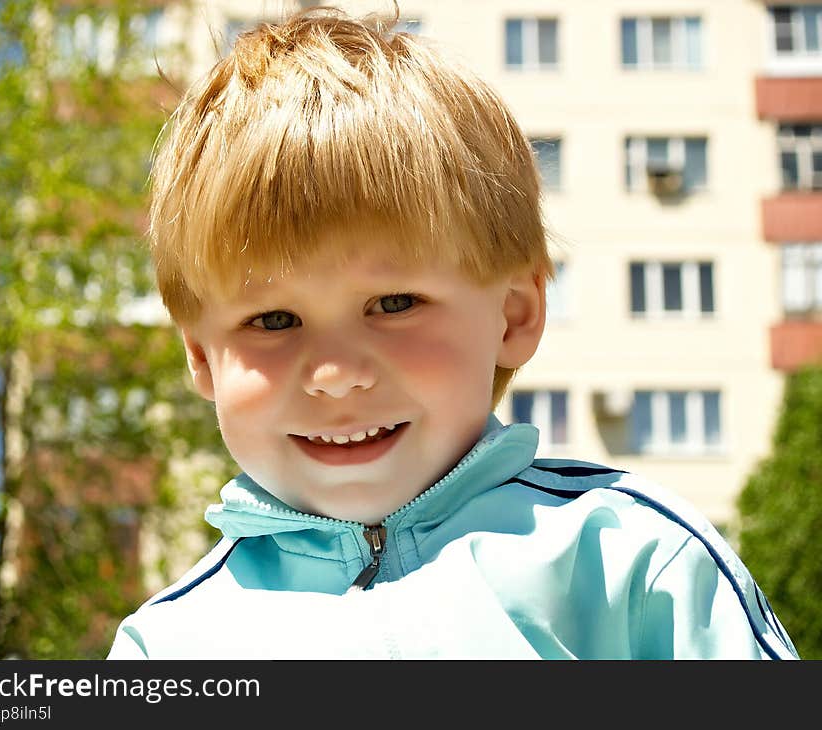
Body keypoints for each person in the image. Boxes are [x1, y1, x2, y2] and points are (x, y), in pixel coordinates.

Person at [106, 5, 799, 659]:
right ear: (201, 356)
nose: (336, 372)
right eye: (273, 320)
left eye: (395, 302)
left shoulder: (631, 563)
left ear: (515, 313)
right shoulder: (170, 645)